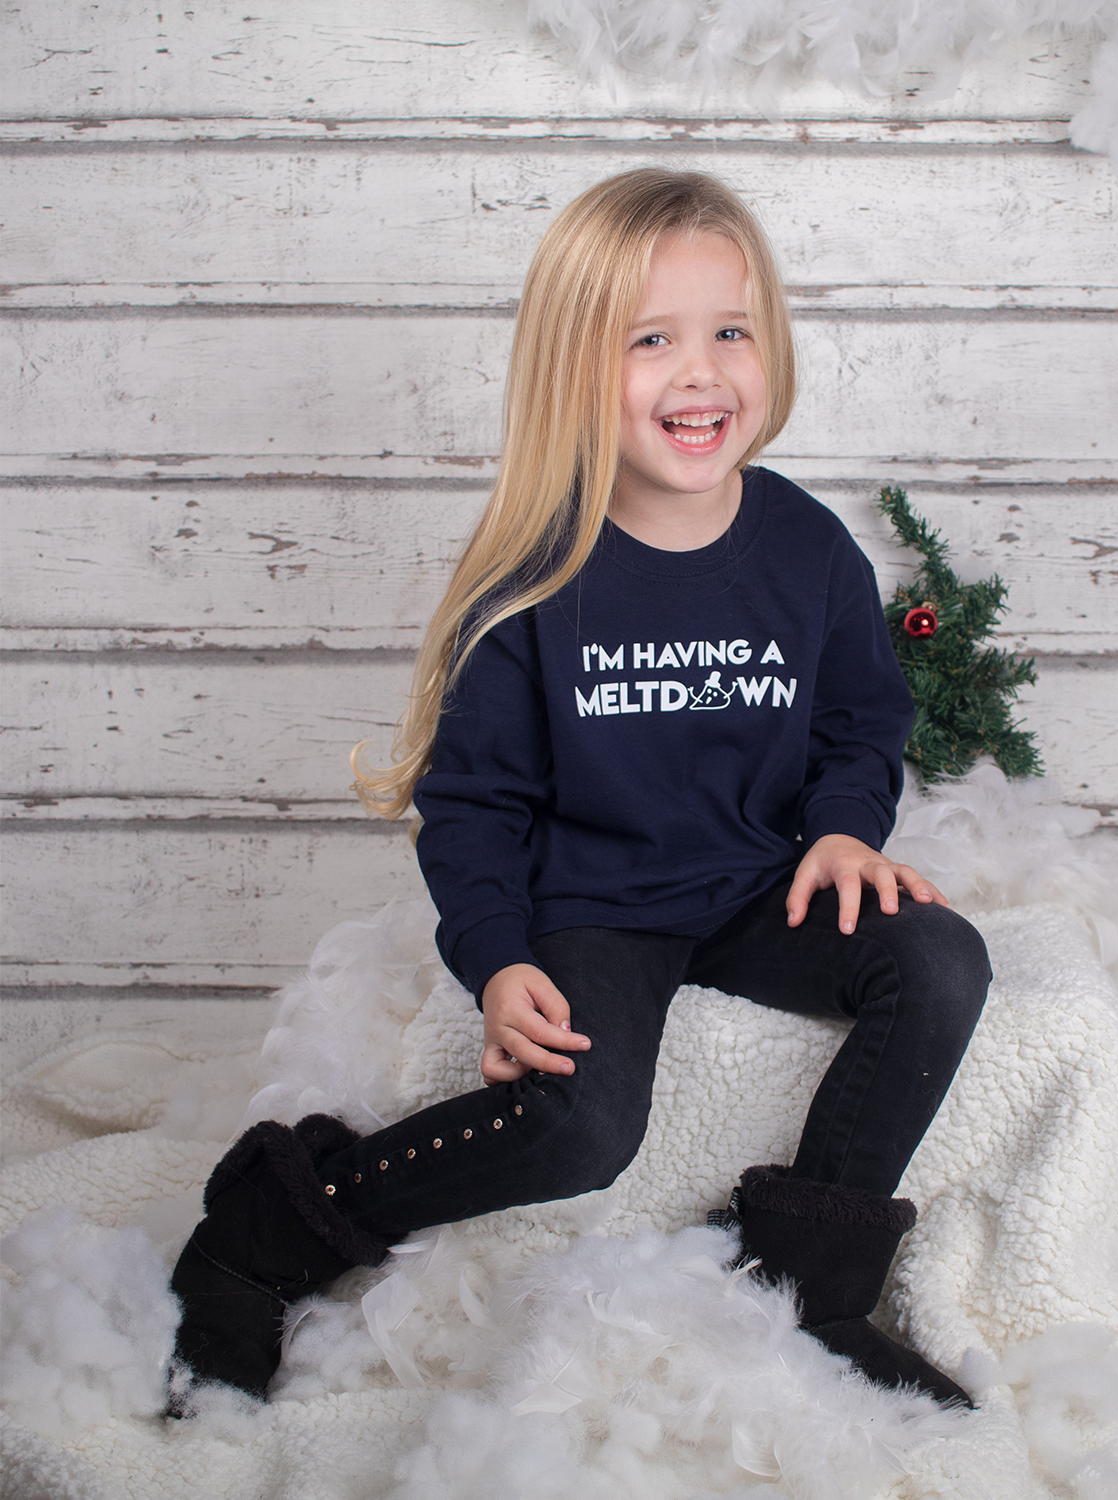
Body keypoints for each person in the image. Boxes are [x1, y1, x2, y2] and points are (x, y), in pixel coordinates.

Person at [167, 169, 993, 1413]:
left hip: (760, 885)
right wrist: (498, 960)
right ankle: (270, 1228)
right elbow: (476, 808)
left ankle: (809, 1286)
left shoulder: (808, 548)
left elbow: (862, 717)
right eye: (650, 340)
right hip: (596, 906)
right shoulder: (534, 585)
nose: (700, 371)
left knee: (940, 961)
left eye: (730, 330)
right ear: (574, 368)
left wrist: (840, 830)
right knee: (579, 1129)